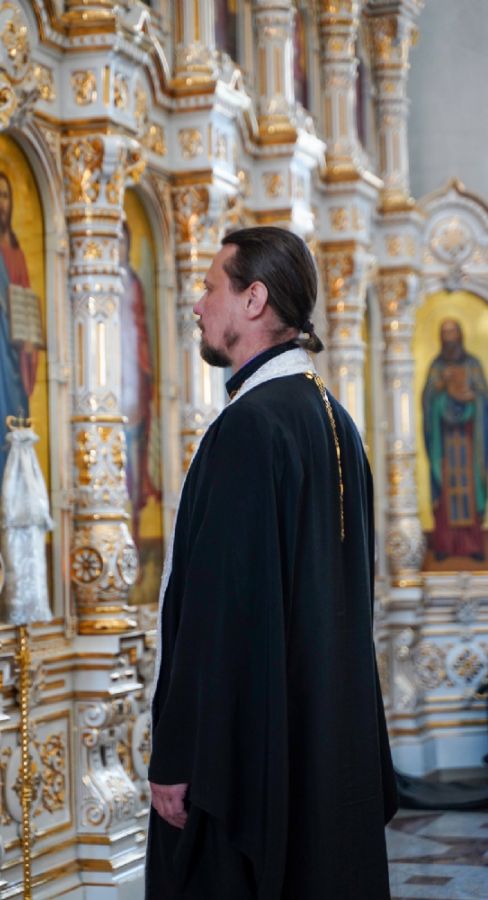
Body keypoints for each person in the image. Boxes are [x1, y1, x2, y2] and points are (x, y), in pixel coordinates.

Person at [146, 226, 397, 899]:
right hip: (317, 750)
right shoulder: (332, 418)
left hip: (239, 772)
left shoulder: (250, 427)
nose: (197, 304)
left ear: (254, 299)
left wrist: (177, 754)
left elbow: (216, 614)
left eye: (210, 287)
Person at [0, 171, 40, 523]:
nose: (3, 203)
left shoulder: (17, 254)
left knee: (16, 421)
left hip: (17, 358)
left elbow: (27, 307)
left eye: (8, 196)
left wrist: (30, 343)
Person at [422, 319, 487, 561]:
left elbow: (483, 398)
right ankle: (445, 544)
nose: (449, 336)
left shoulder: (473, 365)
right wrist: (441, 387)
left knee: (470, 487)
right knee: (447, 489)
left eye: (453, 332)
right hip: (445, 443)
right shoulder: (436, 367)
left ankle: (473, 545)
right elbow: (428, 401)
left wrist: (473, 398)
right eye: (445, 332)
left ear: (460, 335)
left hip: (470, 441)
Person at [119, 219, 159, 541]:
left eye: (123, 241)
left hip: (131, 373)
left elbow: (140, 331)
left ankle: (133, 522)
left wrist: (146, 372)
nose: (118, 247)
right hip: (112, 372)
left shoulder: (132, 283)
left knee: (134, 451)